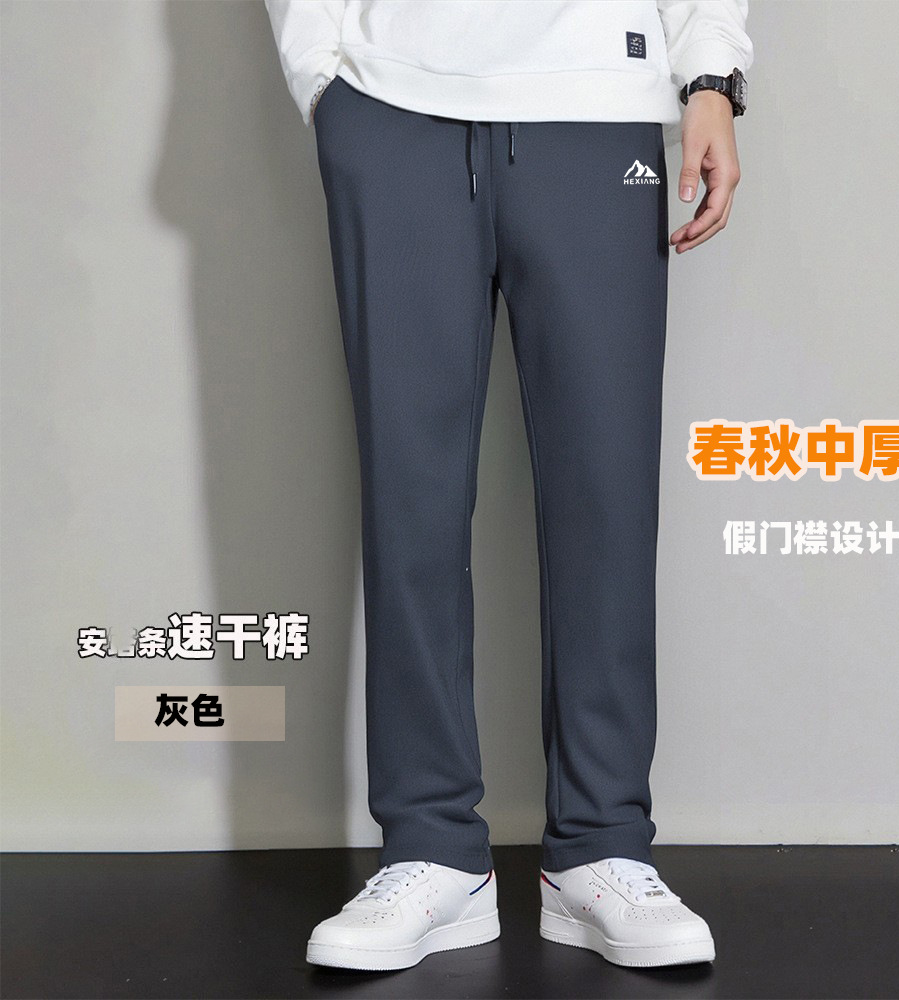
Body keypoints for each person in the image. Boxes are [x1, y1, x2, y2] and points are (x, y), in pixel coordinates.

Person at [264, 0, 752, 971]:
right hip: (390, 102)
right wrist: (324, 75)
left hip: (598, 100)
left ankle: (602, 845)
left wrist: (709, 79)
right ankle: (430, 845)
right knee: (410, 497)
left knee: (606, 497)